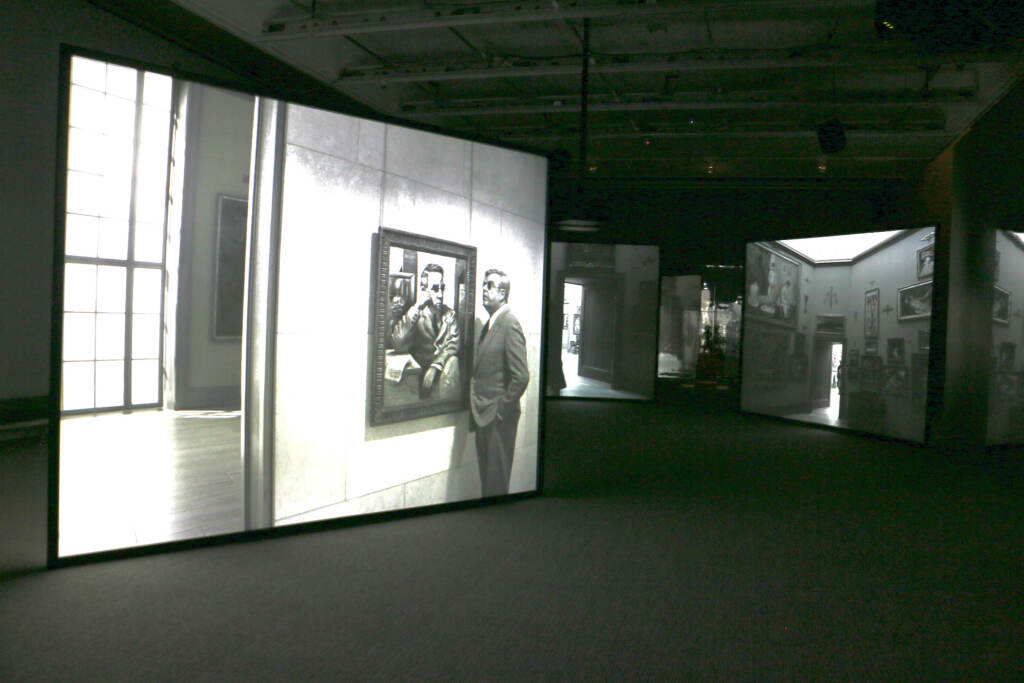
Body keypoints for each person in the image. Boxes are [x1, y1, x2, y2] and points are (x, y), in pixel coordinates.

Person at [470, 268, 529, 497]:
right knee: (489, 484)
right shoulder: (491, 324)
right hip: (484, 417)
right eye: (484, 284)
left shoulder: (509, 323)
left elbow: (521, 376)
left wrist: (500, 410)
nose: (484, 289)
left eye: (490, 285)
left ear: (503, 292)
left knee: (496, 485)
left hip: (497, 419)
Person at [390, 263, 461, 399]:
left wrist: (435, 367)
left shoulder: (449, 314)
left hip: (442, 376)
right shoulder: (416, 314)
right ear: (424, 290)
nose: (440, 294)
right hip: (417, 378)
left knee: (454, 361)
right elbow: (397, 343)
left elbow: (453, 345)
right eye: (435, 289)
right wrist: (417, 306)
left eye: (442, 288)